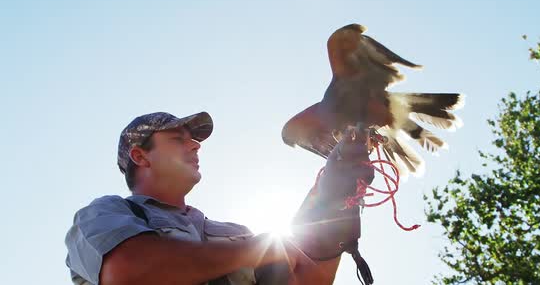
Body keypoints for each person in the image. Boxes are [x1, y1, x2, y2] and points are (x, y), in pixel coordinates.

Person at [65, 111, 373, 285]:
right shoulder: (102, 214)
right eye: (177, 139)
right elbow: (129, 273)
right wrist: (257, 250)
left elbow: (307, 282)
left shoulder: (233, 233)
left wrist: (333, 198)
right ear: (140, 156)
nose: (196, 146)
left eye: (195, 141)